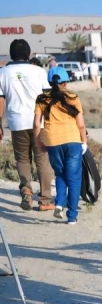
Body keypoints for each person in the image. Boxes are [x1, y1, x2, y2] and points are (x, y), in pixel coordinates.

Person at [0, 39, 55, 211]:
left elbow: (1, 100)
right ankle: (45, 200)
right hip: (39, 122)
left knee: (22, 159)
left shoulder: (3, 72)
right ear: (29, 53)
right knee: (42, 160)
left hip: (16, 123)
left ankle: (26, 190)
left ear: (11, 54)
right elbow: (47, 98)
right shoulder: (38, 71)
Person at [32, 67, 87, 224]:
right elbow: (81, 125)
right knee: (74, 178)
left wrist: (39, 142)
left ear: (50, 82)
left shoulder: (42, 99)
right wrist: (84, 141)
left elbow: (37, 124)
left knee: (60, 173)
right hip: (72, 139)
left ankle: (59, 204)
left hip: (52, 140)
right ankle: (71, 217)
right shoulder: (73, 97)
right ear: (65, 82)